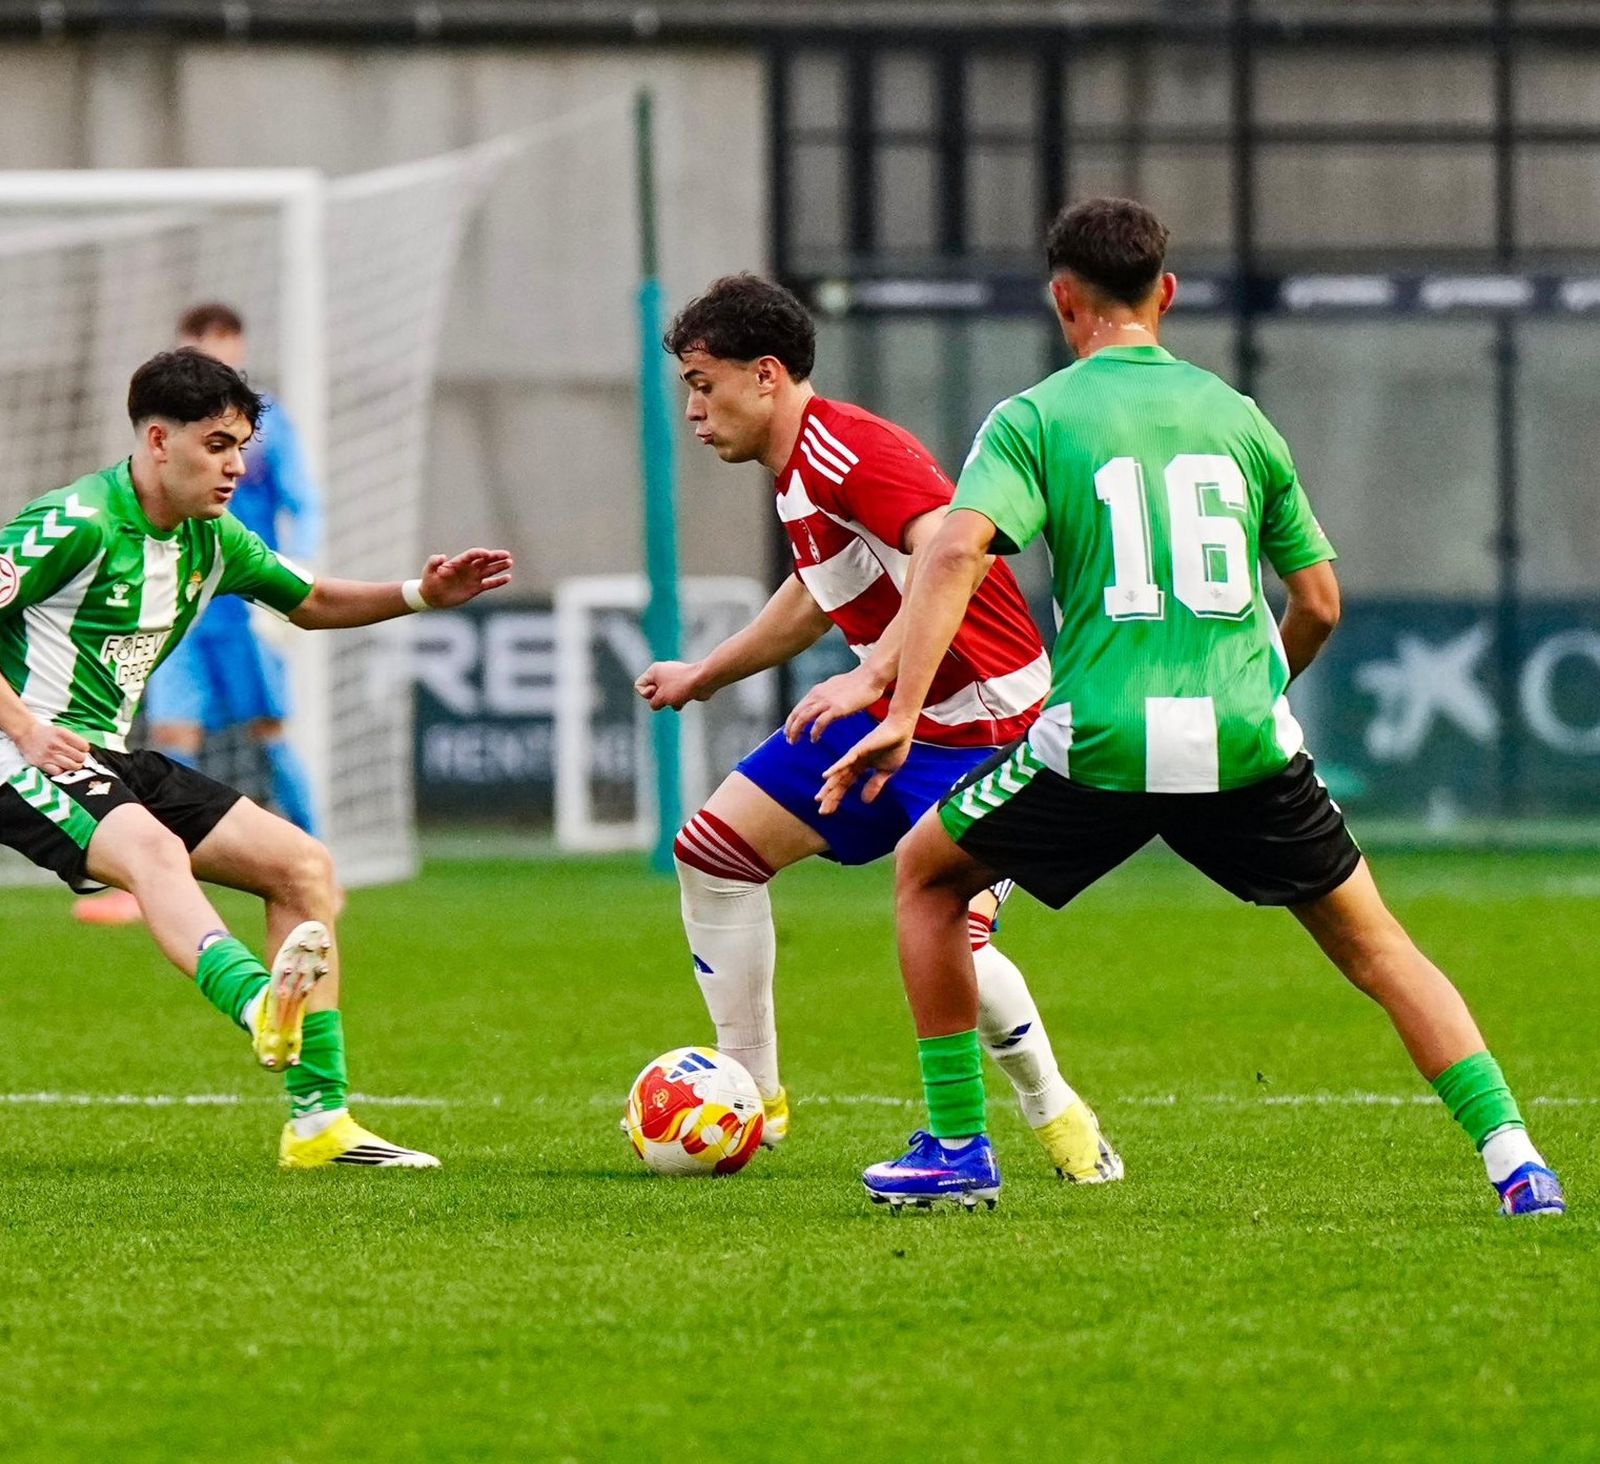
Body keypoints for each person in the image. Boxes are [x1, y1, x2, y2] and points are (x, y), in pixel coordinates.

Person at [823, 197, 1564, 1218]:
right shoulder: (1239, 418)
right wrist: (1255, 697)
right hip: (1241, 740)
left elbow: (951, 548)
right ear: (1165, 293)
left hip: (1104, 742)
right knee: (1377, 946)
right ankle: (1516, 1159)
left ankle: (957, 1147)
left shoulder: (1038, 416)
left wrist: (899, 704)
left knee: (926, 878)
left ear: (1062, 299)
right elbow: (1318, 603)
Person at [634, 274, 1121, 1183]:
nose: (694, 411)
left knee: (957, 939)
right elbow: (815, 602)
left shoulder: (854, 450)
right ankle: (753, 1092)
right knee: (713, 853)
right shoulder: (798, 473)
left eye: (705, 384)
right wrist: (707, 673)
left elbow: (951, 555)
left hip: (989, 729)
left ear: (768, 374)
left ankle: (1055, 1110)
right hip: (898, 715)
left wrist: (876, 673)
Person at [0, 348, 513, 1169]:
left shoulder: (212, 536)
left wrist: (421, 594)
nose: (235, 466)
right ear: (159, 441)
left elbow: (307, 600)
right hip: (17, 748)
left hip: (98, 753)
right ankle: (253, 1002)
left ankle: (320, 1126)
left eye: (241, 446)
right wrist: (24, 728)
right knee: (155, 852)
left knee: (302, 869)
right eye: (217, 446)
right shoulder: (78, 521)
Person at [77, 304, 322, 926]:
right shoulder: (175, 425)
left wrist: (299, 569)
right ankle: (154, 877)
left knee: (269, 729)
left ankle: (320, 853)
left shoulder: (267, 425)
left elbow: (303, 500)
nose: (230, 463)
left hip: (245, 598)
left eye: (221, 344)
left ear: (238, 346)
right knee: (172, 733)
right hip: (176, 596)